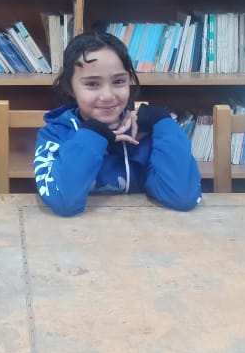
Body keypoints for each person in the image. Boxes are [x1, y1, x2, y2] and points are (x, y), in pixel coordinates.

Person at [33, 31, 201, 217]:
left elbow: (182, 196)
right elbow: (63, 201)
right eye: (92, 84)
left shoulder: (147, 134)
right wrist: (93, 133)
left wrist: (163, 121)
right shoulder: (55, 134)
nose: (108, 96)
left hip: (140, 228)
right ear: (70, 88)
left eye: (119, 81)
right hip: (77, 232)